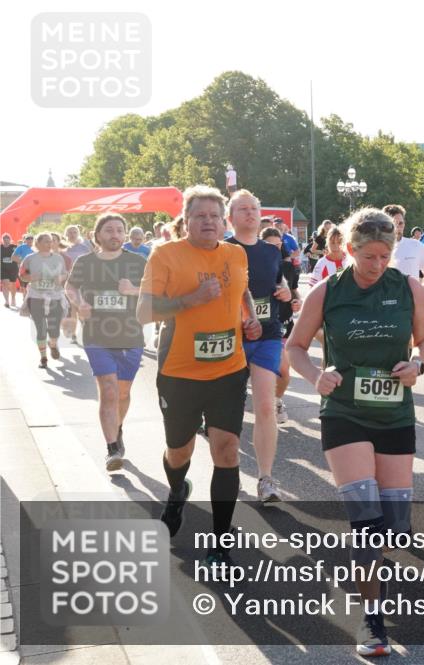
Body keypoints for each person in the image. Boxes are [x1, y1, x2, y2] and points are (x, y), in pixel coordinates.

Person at [286, 207, 424, 656]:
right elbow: (295, 347)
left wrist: (418, 364)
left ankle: (374, 579)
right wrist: (316, 377)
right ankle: (372, 622)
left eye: (385, 254)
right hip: (345, 412)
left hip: (394, 414)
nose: (378, 263)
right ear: (349, 250)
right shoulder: (327, 291)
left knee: (395, 527)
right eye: (369, 255)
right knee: (367, 524)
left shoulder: (407, 287)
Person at [137, 185, 261, 570]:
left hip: (228, 371)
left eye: (214, 216)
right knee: (180, 451)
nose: (208, 222)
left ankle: (220, 543)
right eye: (199, 216)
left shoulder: (236, 253)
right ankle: (177, 491)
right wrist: (191, 299)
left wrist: (250, 316)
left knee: (225, 450)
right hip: (179, 374)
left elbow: (242, 291)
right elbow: (143, 313)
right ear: (185, 221)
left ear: (223, 221)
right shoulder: (166, 255)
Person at [65, 214, 146, 471]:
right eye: (109, 230)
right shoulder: (85, 261)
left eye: (119, 230)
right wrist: (80, 304)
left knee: (122, 392)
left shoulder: (137, 261)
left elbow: (156, 290)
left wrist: (133, 290)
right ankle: (112, 448)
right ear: (97, 235)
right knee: (109, 390)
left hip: (130, 334)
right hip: (96, 334)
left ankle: (117, 428)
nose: (115, 235)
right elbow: (70, 287)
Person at [226, 190, 293, 503]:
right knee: (230, 411)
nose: (250, 213)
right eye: (242, 209)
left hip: (266, 334)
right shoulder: (222, 249)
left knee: (265, 405)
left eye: (254, 208)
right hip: (230, 339)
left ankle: (266, 479)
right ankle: (229, 470)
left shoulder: (270, 251)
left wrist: (285, 292)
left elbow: (280, 284)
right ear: (231, 217)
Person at [261, 227, 301, 425]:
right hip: (253, 329)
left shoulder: (288, 268)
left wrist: (296, 301)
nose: (276, 250)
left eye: (279, 245)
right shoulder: (250, 265)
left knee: (284, 372)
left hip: (282, 326)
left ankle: (276, 400)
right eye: (270, 246)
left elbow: (294, 291)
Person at [19, 233, 68, 368]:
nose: (49, 244)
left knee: (54, 330)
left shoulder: (58, 258)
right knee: (41, 329)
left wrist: (61, 278)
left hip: (55, 297)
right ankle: (43, 358)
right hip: (36, 297)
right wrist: (30, 277)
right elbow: (22, 275)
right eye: (46, 241)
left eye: (51, 241)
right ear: (38, 243)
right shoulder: (30, 258)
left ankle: (52, 344)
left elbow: (65, 273)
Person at [383, 205, 424, 293]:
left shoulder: (416, 245)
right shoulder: (375, 248)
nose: (397, 228)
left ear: (404, 223)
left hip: (409, 304)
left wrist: (419, 296)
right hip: (382, 303)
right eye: (393, 224)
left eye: (400, 223)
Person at [61, 225, 92, 343]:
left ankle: (85, 329)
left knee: (81, 307)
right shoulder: (62, 248)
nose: (72, 234)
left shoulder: (85, 246)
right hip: (69, 282)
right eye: (70, 232)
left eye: (74, 232)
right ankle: (74, 334)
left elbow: (92, 260)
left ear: (78, 233)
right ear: (66, 234)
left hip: (84, 281)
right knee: (72, 308)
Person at [12, 234, 35, 308]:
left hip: (35, 269)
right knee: (24, 286)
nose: (30, 240)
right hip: (24, 269)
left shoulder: (36, 247)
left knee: (32, 285)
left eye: (31, 238)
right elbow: (13, 257)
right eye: (28, 238)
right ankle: (25, 298)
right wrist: (23, 261)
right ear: (25, 239)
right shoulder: (21, 247)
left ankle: (29, 300)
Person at [1, 234, 17, 308]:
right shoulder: (0, 247)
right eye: (4, 239)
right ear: (2, 240)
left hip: (13, 268)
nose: (6, 240)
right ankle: (7, 301)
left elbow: (19, 255)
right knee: (5, 283)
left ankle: (13, 298)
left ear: (10, 239)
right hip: (3, 268)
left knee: (12, 285)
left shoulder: (14, 247)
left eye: (7, 238)